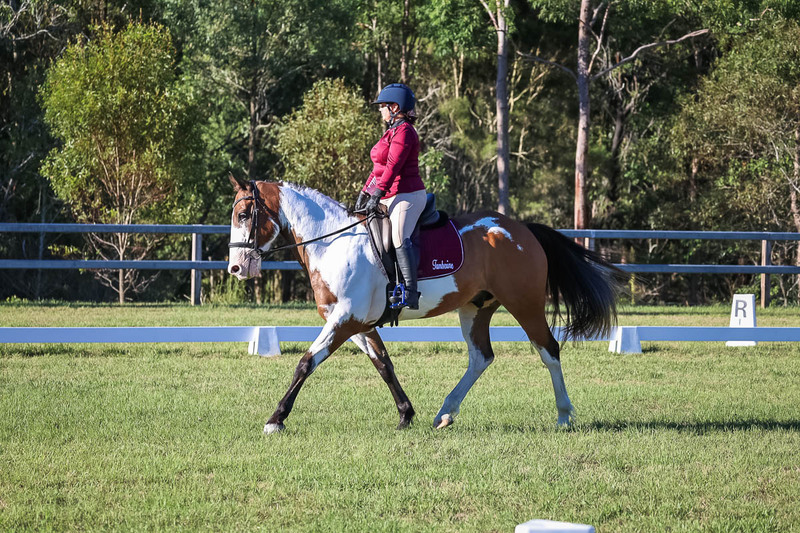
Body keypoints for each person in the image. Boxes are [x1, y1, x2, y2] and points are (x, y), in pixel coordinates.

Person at [357, 83, 426, 309]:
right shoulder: (391, 132)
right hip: (388, 193)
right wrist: (366, 191)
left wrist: (377, 192)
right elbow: (379, 167)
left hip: (408, 194)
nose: (380, 110)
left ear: (395, 107)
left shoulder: (405, 131)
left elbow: (393, 166)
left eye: (383, 106)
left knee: (398, 237)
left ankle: (410, 292)